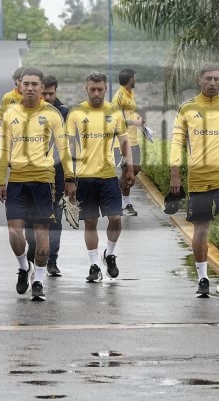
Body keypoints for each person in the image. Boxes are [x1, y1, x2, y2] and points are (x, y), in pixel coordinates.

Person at [0, 68, 76, 301]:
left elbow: (64, 149)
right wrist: (0, 181)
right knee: (15, 232)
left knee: (42, 235)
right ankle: (24, 267)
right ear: (20, 86)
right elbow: (4, 150)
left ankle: (38, 280)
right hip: (17, 181)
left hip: (43, 181)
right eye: (26, 84)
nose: (30, 88)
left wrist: (70, 178)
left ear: (42, 88)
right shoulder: (10, 113)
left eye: (34, 85)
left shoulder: (52, 114)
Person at [168, 63, 219, 299]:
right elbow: (176, 142)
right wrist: (175, 173)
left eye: (216, 79)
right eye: (208, 79)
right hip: (199, 179)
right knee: (201, 228)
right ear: (199, 80)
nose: (213, 83)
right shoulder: (187, 108)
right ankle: (202, 279)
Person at [66, 72, 134, 283]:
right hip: (84, 177)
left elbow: (125, 143)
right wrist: (69, 178)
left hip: (107, 176)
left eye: (100, 89)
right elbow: (68, 148)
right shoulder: (76, 113)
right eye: (92, 89)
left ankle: (109, 254)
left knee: (116, 219)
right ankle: (94, 265)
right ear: (86, 89)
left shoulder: (114, 112)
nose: (96, 93)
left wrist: (129, 168)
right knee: (90, 222)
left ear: (106, 89)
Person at [24, 75, 70, 276]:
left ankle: (52, 260)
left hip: (57, 174)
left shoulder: (65, 113)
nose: (49, 97)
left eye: (52, 93)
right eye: (46, 93)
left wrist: (71, 177)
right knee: (29, 219)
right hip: (33, 175)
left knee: (55, 218)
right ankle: (34, 248)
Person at [112, 68, 145, 216]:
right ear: (131, 79)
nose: (136, 80)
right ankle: (124, 204)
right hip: (123, 142)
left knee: (135, 170)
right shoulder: (119, 96)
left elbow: (129, 114)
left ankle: (119, 197)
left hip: (134, 140)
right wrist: (134, 122)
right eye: (135, 77)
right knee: (127, 172)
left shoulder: (131, 94)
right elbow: (113, 119)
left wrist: (140, 121)